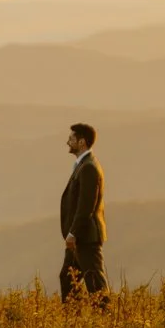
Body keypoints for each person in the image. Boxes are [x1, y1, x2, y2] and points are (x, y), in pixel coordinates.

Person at [59, 123, 106, 302]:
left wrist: (73, 233)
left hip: (86, 237)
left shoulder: (89, 168)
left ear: (82, 142)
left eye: (71, 139)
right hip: (79, 237)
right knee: (68, 278)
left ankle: (106, 316)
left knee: (95, 284)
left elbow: (86, 206)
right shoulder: (83, 165)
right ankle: (74, 317)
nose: (67, 142)